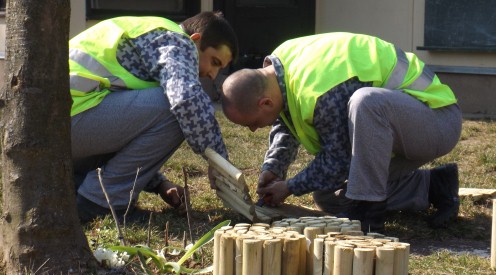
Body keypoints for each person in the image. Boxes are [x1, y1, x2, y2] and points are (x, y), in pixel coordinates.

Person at [221, 32, 461, 233]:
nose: (253, 129)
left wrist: (289, 187)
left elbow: (338, 161)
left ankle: (369, 215)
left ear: (264, 103)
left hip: (436, 118)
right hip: (402, 123)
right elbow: (287, 119)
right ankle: (434, 186)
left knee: (366, 102)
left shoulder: (322, 90)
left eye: (251, 122)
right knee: (328, 196)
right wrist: (274, 167)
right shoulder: (279, 69)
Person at [70, 12, 238, 223]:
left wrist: (159, 184)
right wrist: (221, 164)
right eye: (214, 62)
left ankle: (87, 190)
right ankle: (100, 203)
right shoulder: (176, 41)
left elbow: (126, 129)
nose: (213, 75)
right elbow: (185, 101)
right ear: (195, 41)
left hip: (64, 127)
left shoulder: (152, 33)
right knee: (177, 107)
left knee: (171, 103)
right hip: (71, 121)